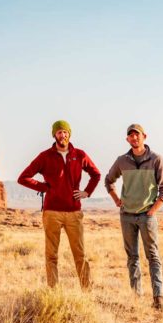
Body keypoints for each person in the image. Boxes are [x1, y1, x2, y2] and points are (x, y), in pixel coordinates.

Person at [17, 120, 101, 289]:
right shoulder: (45, 156)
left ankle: (87, 291)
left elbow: (96, 174)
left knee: (80, 254)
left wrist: (86, 192)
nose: (62, 135)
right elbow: (23, 177)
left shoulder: (79, 154)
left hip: (73, 212)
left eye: (65, 132)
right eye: (59, 132)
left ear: (69, 134)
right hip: (52, 212)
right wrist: (44, 187)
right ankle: (53, 292)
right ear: (54, 135)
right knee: (51, 255)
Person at [104, 123, 163, 309]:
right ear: (127, 139)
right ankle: (136, 296)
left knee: (153, 256)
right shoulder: (122, 161)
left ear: (144, 137)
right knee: (132, 257)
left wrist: (152, 210)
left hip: (147, 216)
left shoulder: (156, 159)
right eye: (131, 136)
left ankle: (159, 298)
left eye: (137, 135)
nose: (134, 138)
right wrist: (117, 200)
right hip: (127, 216)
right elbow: (109, 180)